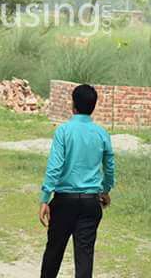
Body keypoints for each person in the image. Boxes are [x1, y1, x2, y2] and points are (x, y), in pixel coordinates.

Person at [39, 84, 115, 278]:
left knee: (54, 251)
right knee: (84, 256)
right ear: (94, 106)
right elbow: (109, 167)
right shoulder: (101, 133)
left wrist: (45, 198)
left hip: (64, 201)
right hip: (91, 202)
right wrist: (105, 190)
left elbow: (55, 168)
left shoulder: (63, 131)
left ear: (73, 105)